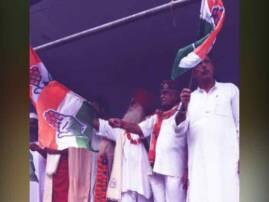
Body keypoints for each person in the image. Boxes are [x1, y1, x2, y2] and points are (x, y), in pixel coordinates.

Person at [109, 81, 188, 202]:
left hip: (174, 169)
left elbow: (180, 121)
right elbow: (140, 129)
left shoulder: (183, 112)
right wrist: (122, 124)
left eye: (166, 93)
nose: (162, 96)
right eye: (161, 93)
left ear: (176, 95)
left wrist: (183, 106)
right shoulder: (157, 117)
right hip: (156, 169)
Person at [178, 56, 239, 202]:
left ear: (213, 67)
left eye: (207, 62)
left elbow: (240, 123)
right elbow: (179, 131)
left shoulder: (230, 89)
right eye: (199, 64)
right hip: (199, 164)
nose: (204, 66)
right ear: (194, 73)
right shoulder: (189, 99)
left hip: (226, 161)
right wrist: (183, 106)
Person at [92, 89, 153, 202]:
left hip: (143, 185)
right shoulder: (120, 131)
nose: (130, 107)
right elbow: (100, 124)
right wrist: (82, 111)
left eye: (134, 105)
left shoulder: (149, 127)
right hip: (125, 185)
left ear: (143, 111)